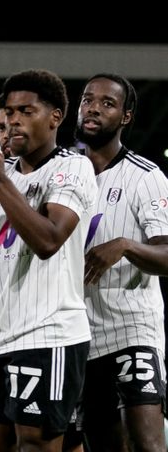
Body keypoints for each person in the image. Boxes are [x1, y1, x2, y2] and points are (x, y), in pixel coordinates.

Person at [0, 69, 98, 451]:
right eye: (9, 111)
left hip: (51, 335)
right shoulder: (2, 172)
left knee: (36, 445)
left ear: (55, 117)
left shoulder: (73, 167)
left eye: (26, 110)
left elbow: (48, 240)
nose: (13, 119)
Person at [76, 73, 168, 452]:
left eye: (107, 103)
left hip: (132, 331)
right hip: (79, 336)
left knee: (146, 442)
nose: (94, 107)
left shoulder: (146, 178)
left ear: (126, 117)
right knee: (101, 444)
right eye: (87, 99)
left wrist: (127, 245)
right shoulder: (62, 174)